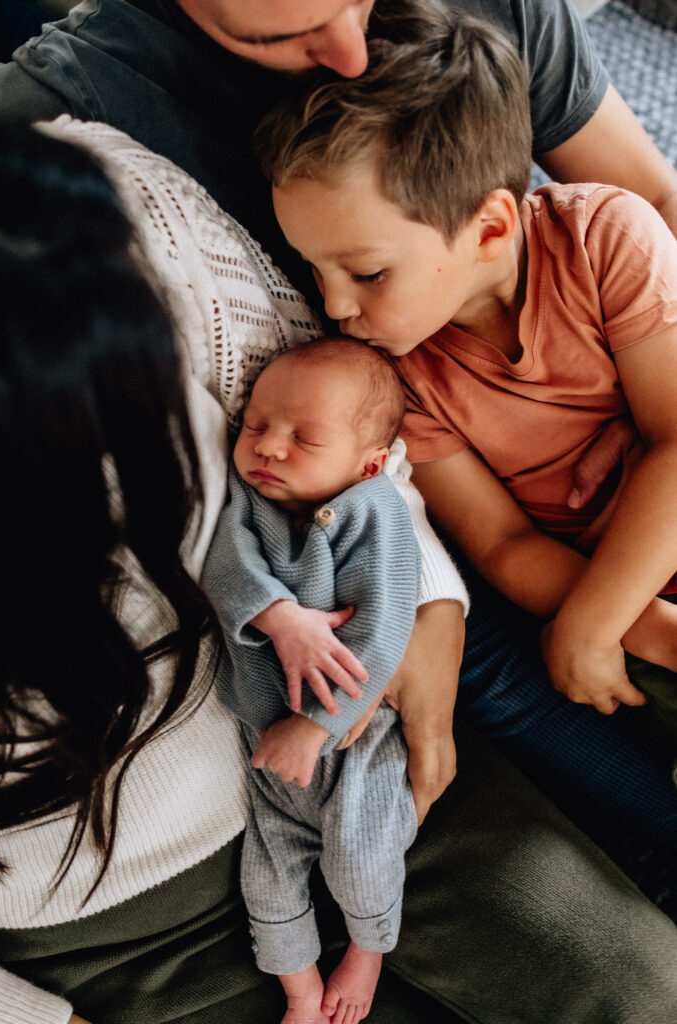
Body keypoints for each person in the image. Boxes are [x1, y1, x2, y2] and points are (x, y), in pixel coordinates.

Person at [0, 115, 677, 1024]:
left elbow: (350, 422)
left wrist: (428, 605)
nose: (339, 304)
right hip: (108, 923)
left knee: (643, 991)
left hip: (365, 741)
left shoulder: (100, 198)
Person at [254, 6, 677, 862]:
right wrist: (623, 626)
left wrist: (596, 624)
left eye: (366, 272)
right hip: (597, 597)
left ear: (489, 227)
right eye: (313, 268)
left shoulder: (608, 236)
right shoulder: (398, 375)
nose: (334, 305)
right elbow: (501, 543)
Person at [203, 340, 427, 1024]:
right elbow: (224, 565)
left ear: (367, 464)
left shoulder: (374, 512)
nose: (268, 447)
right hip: (267, 752)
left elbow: (382, 630)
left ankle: (368, 947)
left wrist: (314, 726)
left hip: (353, 747)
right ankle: (299, 992)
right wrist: (279, 618)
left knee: (360, 861)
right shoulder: (250, 501)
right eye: (256, 425)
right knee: (266, 882)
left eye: (303, 438)